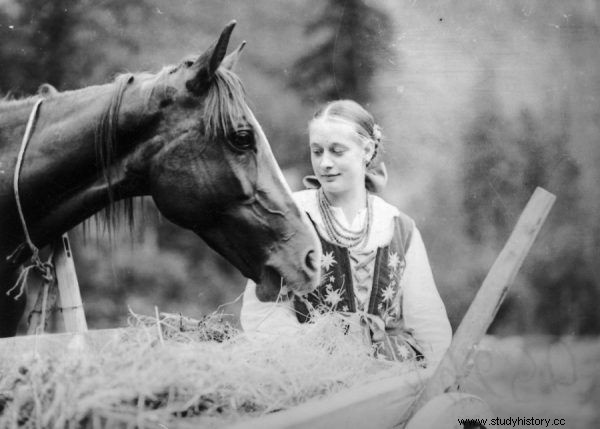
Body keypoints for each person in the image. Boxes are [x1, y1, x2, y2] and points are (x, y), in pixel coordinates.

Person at [241, 100, 452, 367]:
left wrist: (439, 373)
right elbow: (264, 312)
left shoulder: (400, 228)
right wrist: (313, 356)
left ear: (367, 150)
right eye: (317, 151)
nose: (325, 163)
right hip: (311, 377)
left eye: (337, 151)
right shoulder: (292, 218)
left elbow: (427, 320)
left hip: (390, 380)